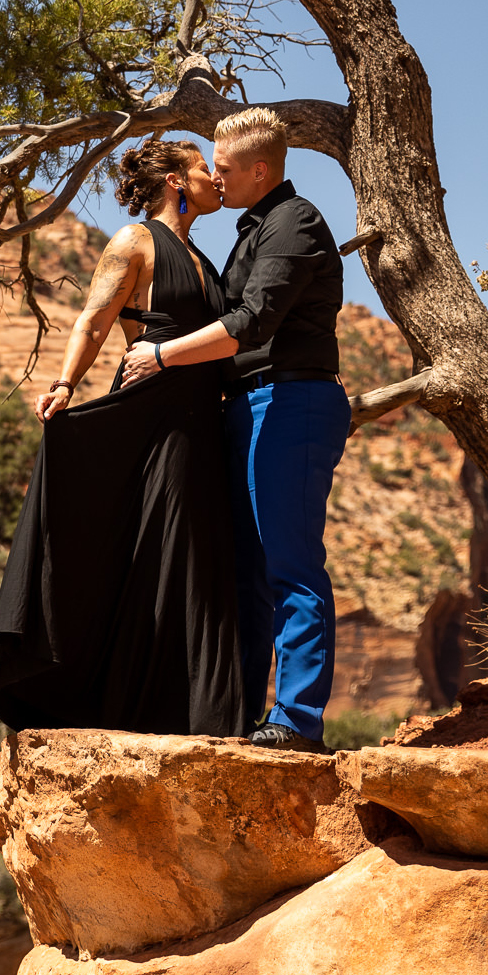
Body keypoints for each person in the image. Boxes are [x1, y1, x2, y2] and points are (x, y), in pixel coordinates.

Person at [0, 139, 245, 737]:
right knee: (171, 552)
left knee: (198, 557)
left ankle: (188, 715)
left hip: (203, 419)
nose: (216, 180)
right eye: (206, 169)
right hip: (157, 415)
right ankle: (152, 714)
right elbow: (94, 320)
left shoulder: (200, 255)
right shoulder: (136, 240)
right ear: (176, 179)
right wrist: (66, 385)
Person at [118, 108, 348, 755]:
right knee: (246, 573)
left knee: (290, 564)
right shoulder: (251, 230)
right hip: (251, 406)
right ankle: (243, 717)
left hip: (294, 400)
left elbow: (254, 320)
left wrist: (160, 356)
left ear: (258, 169)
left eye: (222, 168)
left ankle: (297, 718)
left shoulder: (294, 223)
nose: (214, 178)